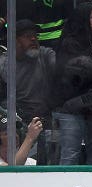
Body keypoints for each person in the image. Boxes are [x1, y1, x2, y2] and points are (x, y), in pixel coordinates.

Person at [52, 1, 92, 165]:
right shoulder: (69, 43)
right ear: (83, 19)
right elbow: (73, 75)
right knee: (71, 154)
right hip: (70, 106)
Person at [0, 19, 56, 164]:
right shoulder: (5, 63)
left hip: (47, 120)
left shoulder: (44, 54)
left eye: (34, 35)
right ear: (15, 42)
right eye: (27, 36)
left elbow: (60, 67)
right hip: (19, 124)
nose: (33, 39)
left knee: (51, 162)